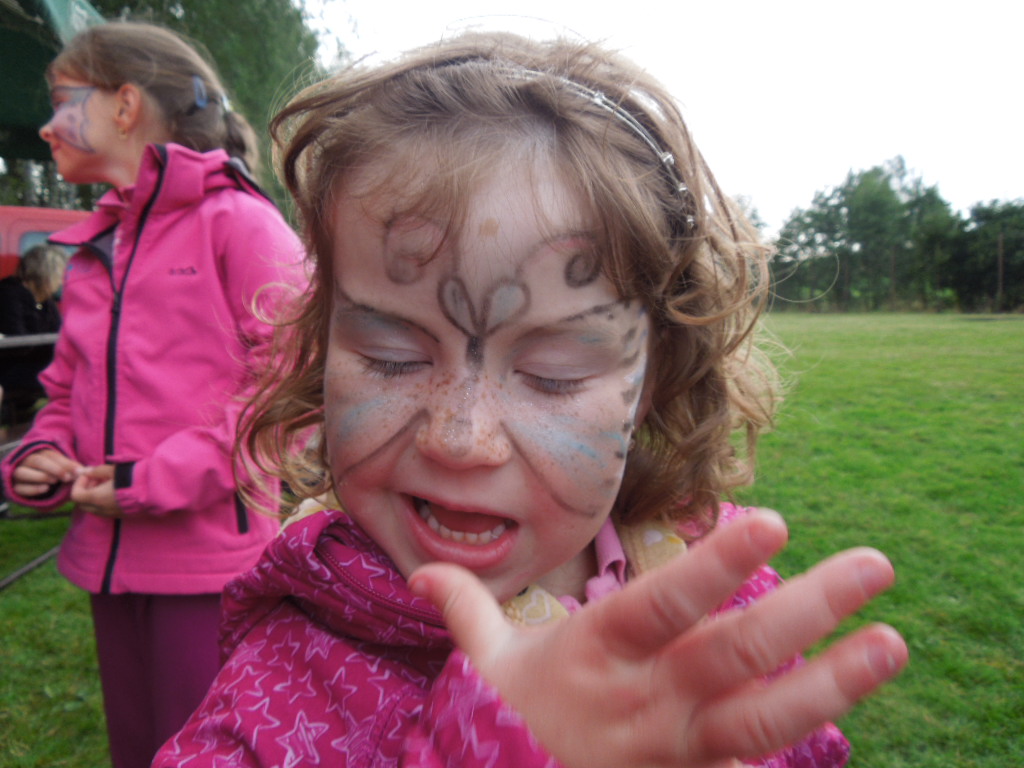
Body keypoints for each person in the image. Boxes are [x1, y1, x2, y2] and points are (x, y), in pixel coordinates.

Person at [156, 32, 907, 768]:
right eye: (392, 356)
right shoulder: (283, 683)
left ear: (651, 381)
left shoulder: (713, 592)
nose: (460, 438)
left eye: (553, 373)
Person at [0, 21, 305, 768]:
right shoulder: (96, 248)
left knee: (200, 753)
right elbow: (63, 392)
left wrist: (151, 479)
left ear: (125, 104)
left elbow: (289, 395)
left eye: (62, 101)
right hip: (109, 562)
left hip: (208, 569)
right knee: (137, 750)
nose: (46, 125)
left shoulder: (242, 224)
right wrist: (40, 453)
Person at [0, 243, 68, 423]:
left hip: (34, 366)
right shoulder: (9, 294)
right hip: (11, 369)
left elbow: (59, 334)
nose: (62, 282)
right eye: (59, 275)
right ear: (45, 273)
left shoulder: (46, 302)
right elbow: (17, 344)